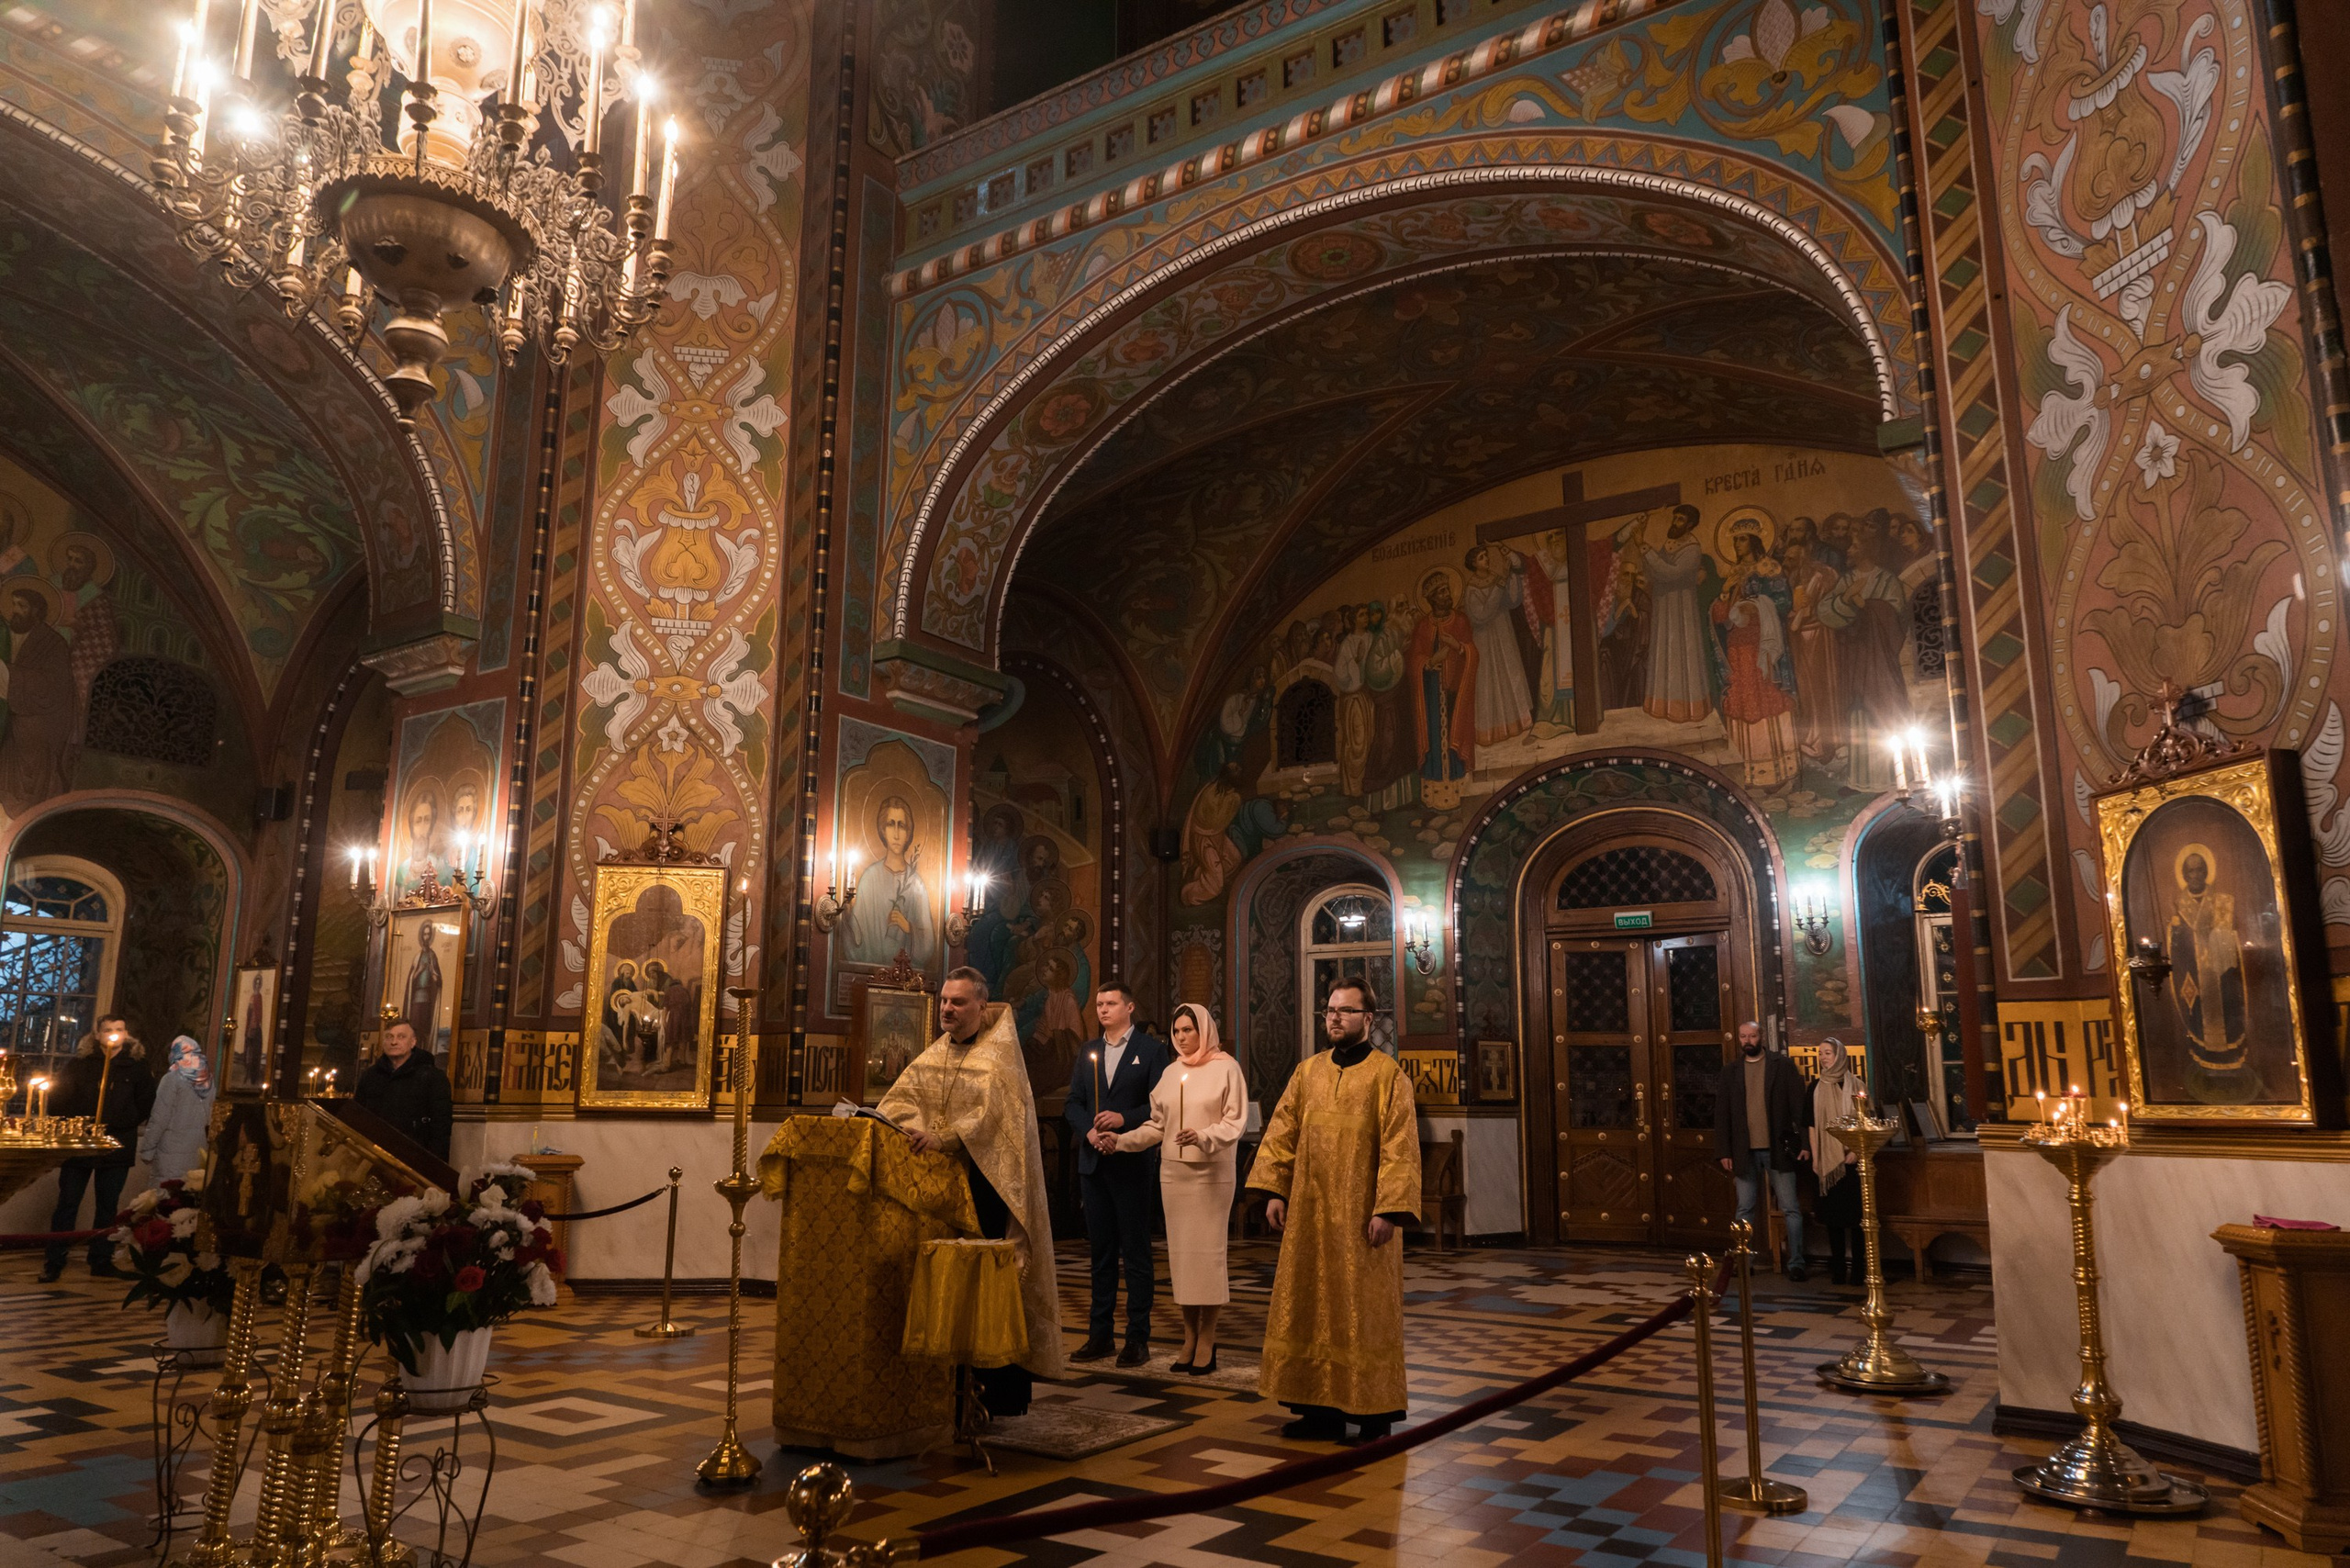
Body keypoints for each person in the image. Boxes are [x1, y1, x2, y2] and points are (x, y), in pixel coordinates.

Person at [882, 968, 1069, 1414]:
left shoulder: (998, 1058)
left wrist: (946, 1137)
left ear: (981, 1007)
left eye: (958, 1002)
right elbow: (898, 1101)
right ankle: (946, 1387)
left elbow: (991, 1118)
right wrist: (909, 1127)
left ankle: (993, 1392)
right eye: (945, 1000)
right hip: (941, 1190)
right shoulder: (933, 1056)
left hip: (988, 1188)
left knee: (987, 1282)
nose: (948, 1008)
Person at [1249, 979, 1421, 1444]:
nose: (1334, 1018)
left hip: (1364, 1219)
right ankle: (1317, 1410)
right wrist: (1275, 1191)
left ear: (1369, 1019)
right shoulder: (1308, 1072)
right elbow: (1282, 1132)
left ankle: (1373, 1414)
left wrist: (1388, 1209)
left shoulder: (1389, 1076)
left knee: (1362, 1312)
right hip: (1310, 1214)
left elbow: (1400, 1148)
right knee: (1309, 1304)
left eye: (1345, 1011)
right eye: (1329, 1010)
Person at [1108, 1002, 1247, 1373]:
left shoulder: (1226, 1068)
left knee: (1208, 1258)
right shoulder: (1170, 1073)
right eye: (1178, 1031)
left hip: (1211, 1175)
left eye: (1190, 1030)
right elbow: (1157, 1126)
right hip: (1174, 1175)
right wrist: (1120, 1141)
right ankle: (1188, 1337)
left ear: (1204, 1030)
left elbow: (1235, 1122)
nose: (1183, 1038)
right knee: (1183, 1260)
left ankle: (1208, 1338)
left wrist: (1201, 1136)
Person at [1065, 981, 1169, 1366]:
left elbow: (1162, 1106)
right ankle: (1099, 1336)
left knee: (1136, 1255)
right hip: (1094, 1164)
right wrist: (1089, 1132)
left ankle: (1137, 1339)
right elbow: (1074, 1102)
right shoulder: (1089, 1051)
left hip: (1131, 1165)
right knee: (1101, 1253)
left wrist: (1124, 1119)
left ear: (1130, 1007)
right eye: (1098, 1004)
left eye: (1110, 1003)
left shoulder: (1151, 1051)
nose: (1103, 1010)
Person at [40, 1016, 152, 1280]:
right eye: (108, 1031)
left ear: (126, 1033)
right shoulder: (81, 1064)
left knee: (108, 1205)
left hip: (116, 1144)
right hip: (80, 1143)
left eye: (119, 1030)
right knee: (68, 1203)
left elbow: (146, 1102)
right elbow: (59, 1099)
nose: (114, 1035)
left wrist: (121, 1121)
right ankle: (54, 1261)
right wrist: (78, 1126)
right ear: (97, 1034)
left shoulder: (136, 1065)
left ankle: (101, 1260)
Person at [1715, 1021, 1812, 1281]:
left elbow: (1799, 1108)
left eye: (1752, 1036)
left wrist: (1804, 1143)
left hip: (1778, 1148)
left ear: (1762, 1037)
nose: (1748, 1040)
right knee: (1744, 1209)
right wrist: (1724, 1150)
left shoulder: (1782, 1067)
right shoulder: (1730, 1071)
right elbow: (1722, 1114)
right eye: (1743, 1036)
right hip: (1743, 1151)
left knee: (1790, 1207)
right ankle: (1744, 1262)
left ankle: (1796, 1263)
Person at [843, 796, 934, 966]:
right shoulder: (870, 878)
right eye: (891, 824)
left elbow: (928, 945)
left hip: (908, 978)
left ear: (908, 833)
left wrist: (908, 927)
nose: (897, 834)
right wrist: (846, 916)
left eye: (902, 825)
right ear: (883, 830)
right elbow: (857, 943)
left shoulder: (916, 884)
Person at [354, 1019, 453, 1160]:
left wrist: (434, 1162)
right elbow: (359, 1117)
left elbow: (441, 1126)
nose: (394, 1042)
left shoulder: (432, 1077)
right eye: (389, 1037)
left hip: (415, 1157)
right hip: (373, 1156)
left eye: (401, 1037)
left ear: (413, 1042)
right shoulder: (370, 1076)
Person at [1809, 1037, 1865, 1285]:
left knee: (1856, 1220)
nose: (1823, 1058)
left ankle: (1861, 1270)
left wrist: (1856, 1150)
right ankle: (1839, 1269)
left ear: (1840, 1055)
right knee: (1833, 1219)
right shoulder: (1815, 1087)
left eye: (1828, 1053)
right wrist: (1816, 1155)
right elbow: (1811, 1125)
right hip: (1827, 1160)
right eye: (1820, 1054)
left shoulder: (1856, 1085)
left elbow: (1865, 1122)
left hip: (1852, 1160)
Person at [140, 1035, 217, 1185]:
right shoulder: (208, 1080)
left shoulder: (172, 1079)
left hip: (171, 1152)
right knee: (190, 1194)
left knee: (167, 1197)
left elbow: (160, 1117)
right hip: (200, 1149)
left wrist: (147, 1149)